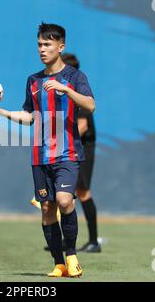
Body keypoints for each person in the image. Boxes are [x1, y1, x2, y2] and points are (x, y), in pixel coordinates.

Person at [0, 23, 95, 277]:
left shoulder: (75, 77)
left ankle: (72, 255)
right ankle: (58, 263)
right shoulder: (33, 81)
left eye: (47, 45)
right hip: (40, 154)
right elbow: (30, 117)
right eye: (39, 45)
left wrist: (66, 89)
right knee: (46, 208)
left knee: (65, 200)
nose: (42, 50)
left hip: (67, 153)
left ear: (60, 46)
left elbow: (90, 104)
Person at [62, 53, 101, 253]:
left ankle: (94, 241)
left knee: (83, 192)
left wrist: (57, 136)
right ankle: (66, 240)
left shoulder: (80, 94)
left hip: (83, 148)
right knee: (66, 193)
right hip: (70, 147)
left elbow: (82, 126)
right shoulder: (66, 94)